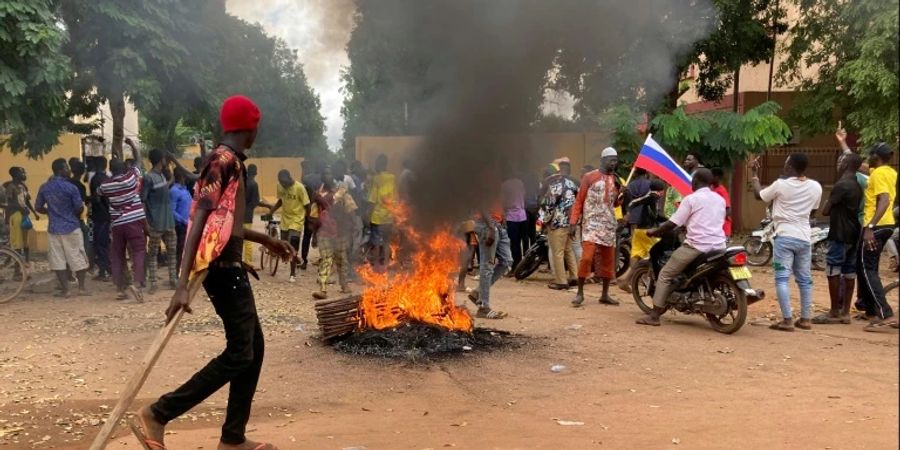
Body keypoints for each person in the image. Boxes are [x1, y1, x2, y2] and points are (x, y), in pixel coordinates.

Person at [137, 95, 293, 450]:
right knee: (241, 352)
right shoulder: (222, 162)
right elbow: (199, 220)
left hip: (230, 265)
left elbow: (226, 225)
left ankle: (233, 438)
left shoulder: (231, 163)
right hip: (221, 271)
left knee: (254, 347)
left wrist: (263, 244)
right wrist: (181, 284)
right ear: (250, 129)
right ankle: (158, 414)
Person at [635, 169, 726, 326]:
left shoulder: (691, 199)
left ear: (695, 181)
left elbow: (672, 223)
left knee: (665, 274)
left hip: (697, 247)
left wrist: (654, 232)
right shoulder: (719, 199)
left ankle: (654, 315)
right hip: (719, 246)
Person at [750, 153, 823, 332]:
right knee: (805, 280)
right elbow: (813, 212)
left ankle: (787, 320)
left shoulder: (781, 185)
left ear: (790, 166)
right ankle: (806, 319)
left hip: (784, 236)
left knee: (782, 279)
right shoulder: (816, 187)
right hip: (805, 238)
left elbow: (759, 195)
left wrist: (754, 175)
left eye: (786, 163)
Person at [815, 153, 863, 325]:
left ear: (845, 164)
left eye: (840, 161)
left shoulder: (841, 185)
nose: (838, 163)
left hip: (840, 233)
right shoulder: (857, 185)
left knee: (833, 270)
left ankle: (834, 310)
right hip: (853, 233)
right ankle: (845, 312)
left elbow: (825, 211)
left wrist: (829, 202)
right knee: (849, 273)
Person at [570, 147, 622, 307]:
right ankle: (580, 293)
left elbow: (615, 203)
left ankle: (605, 294)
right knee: (586, 258)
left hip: (608, 223)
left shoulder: (617, 180)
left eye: (615, 160)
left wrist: (621, 196)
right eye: (611, 160)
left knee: (608, 260)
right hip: (591, 223)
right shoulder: (589, 177)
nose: (614, 163)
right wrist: (573, 221)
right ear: (603, 160)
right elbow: (579, 200)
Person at [856, 143, 897, 331]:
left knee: (868, 269)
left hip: (877, 226)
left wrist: (870, 227)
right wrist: (842, 143)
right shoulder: (888, 171)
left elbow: (884, 199)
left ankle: (884, 312)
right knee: (864, 266)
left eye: (870, 155)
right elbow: (860, 166)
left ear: (875, 156)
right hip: (886, 224)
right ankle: (870, 309)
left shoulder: (880, 174)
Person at [35, 159, 90, 297]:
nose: (69, 170)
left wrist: (50, 212)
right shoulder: (71, 187)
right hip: (71, 226)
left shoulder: (45, 187)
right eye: (67, 168)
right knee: (77, 256)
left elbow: (38, 207)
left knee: (58, 260)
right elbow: (78, 207)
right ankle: (81, 288)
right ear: (60, 169)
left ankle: (66, 290)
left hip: (54, 228)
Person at [98, 150, 147, 301]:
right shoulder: (131, 177)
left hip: (117, 223)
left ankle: (120, 288)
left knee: (117, 255)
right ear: (125, 167)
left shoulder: (106, 185)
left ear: (110, 170)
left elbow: (98, 193)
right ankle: (138, 284)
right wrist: (132, 146)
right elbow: (138, 162)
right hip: (134, 220)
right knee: (138, 251)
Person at [616, 169, 663, 292]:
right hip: (648, 230)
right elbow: (655, 215)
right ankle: (651, 280)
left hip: (637, 228)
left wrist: (628, 213)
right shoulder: (652, 196)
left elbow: (631, 203)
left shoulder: (632, 186)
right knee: (656, 254)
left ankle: (626, 279)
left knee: (636, 254)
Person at [313, 167, 354, 299]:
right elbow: (314, 216)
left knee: (342, 260)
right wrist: (314, 234)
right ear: (322, 177)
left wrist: (349, 228)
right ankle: (323, 289)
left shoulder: (341, 192)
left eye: (330, 173)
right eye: (325, 173)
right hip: (324, 232)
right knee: (326, 260)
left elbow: (351, 210)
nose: (328, 176)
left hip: (340, 232)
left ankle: (344, 285)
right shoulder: (318, 194)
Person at [539, 161, 579, 290]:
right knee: (568, 250)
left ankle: (561, 281)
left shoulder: (555, 186)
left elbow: (550, 206)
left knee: (558, 252)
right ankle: (574, 277)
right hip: (571, 222)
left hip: (558, 223)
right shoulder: (571, 183)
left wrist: (544, 222)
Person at [143, 149, 178, 293]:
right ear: (160, 160)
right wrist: (146, 222)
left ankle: (173, 280)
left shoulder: (161, 176)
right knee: (152, 254)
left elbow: (168, 184)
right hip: (156, 223)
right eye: (164, 159)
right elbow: (143, 201)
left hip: (168, 222)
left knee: (172, 252)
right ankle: (153, 283)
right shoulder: (148, 178)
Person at [467, 203, 511, 320]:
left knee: (507, 262)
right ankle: (483, 308)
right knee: (487, 267)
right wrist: (491, 227)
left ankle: (477, 293)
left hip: (498, 225)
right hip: (486, 225)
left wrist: (502, 220)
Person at [270, 169, 311, 282]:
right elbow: (281, 200)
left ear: (289, 178)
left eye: (284, 182)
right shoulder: (280, 186)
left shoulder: (299, 188)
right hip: (285, 218)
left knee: (293, 243)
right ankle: (293, 257)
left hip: (297, 219)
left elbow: (307, 205)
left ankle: (292, 273)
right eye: (281, 183)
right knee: (284, 245)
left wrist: (308, 221)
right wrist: (271, 211)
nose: (283, 185)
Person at [4, 167, 40, 263]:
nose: (25, 174)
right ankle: (17, 268)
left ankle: (26, 263)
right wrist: (7, 220)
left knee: (25, 241)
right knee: (17, 243)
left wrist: (34, 213)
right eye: (22, 172)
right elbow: (9, 203)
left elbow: (27, 201)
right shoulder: (10, 187)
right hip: (15, 215)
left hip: (24, 216)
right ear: (15, 174)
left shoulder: (23, 186)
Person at [367, 154, 396, 271]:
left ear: (379, 164)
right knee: (387, 241)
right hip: (389, 215)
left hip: (377, 216)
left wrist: (368, 213)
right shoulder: (393, 177)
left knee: (376, 241)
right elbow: (395, 196)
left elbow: (373, 198)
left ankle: (377, 265)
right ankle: (386, 264)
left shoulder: (376, 178)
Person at [241, 164, 270, 268]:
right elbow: (256, 201)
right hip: (247, 215)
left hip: (238, 214)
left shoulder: (242, 181)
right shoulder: (254, 184)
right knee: (248, 239)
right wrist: (267, 205)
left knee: (239, 238)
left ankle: (238, 260)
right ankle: (248, 262)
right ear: (256, 172)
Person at [89, 158, 112, 281]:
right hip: (106, 216)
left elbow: (98, 199)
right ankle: (105, 271)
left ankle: (107, 271)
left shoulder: (96, 179)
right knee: (104, 244)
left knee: (101, 244)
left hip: (100, 216)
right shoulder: (107, 178)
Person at [502, 174, 528, 270]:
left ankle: (515, 267)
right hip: (522, 215)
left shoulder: (505, 185)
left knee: (514, 243)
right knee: (524, 239)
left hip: (511, 217)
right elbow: (524, 195)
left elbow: (503, 201)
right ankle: (524, 264)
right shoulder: (520, 182)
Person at [664, 153, 702, 218]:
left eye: (689, 160)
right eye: (686, 159)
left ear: (696, 161)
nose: (686, 161)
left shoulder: (698, 176)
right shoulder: (684, 175)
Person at [170, 171, 192, 274]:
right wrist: (184, 221)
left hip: (189, 224)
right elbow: (172, 210)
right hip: (181, 226)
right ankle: (178, 273)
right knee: (181, 251)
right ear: (182, 177)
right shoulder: (174, 191)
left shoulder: (185, 190)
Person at [709, 168, 733, 238]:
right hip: (715, 228)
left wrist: (717, 220)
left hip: (723, 228)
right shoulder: (711, 188)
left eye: (711, 176)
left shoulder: (721, 191)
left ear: (716, 177)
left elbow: (728, 210)